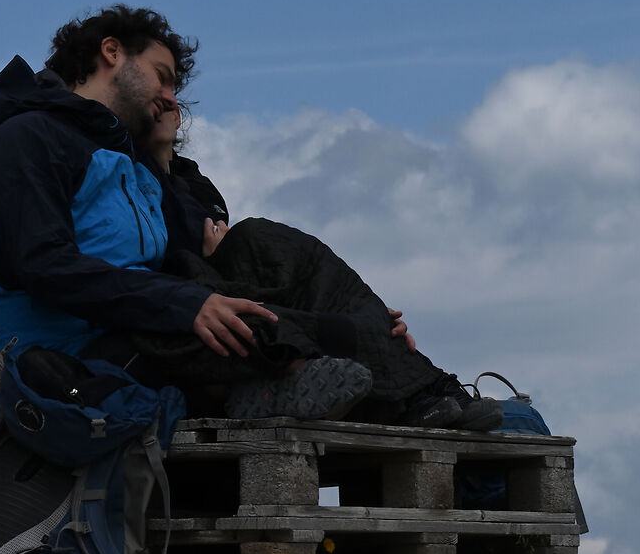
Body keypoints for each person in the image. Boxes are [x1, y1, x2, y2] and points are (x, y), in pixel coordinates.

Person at [0, 5, 373, 422]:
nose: (170, 98)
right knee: (270, 329)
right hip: (66, 359)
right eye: (162, 76)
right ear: (111, 52)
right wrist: (185, 304)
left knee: (286, 278)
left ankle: (365, 360)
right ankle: (272, 390)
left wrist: (161, 153)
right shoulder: (26, 138)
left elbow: (191, 249)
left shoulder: (130, 161)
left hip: (138, 324)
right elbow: (45, 265)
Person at [137, 97, 500, 431]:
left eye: (171, 90)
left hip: (237, 300)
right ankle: (411, 397)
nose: (164, 100)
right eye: (156, 82)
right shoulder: (132, 180)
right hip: (195, 314)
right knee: (257, 240)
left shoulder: (195, 186)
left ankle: (425, 393)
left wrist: (366, 312)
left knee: (317, 280)